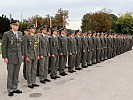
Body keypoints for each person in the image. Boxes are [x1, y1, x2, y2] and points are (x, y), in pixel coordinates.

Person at [2, 20, 23, 96]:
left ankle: (15, 88)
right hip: (11, 57)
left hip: (18, 57)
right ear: (11, 26)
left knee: (16, 74)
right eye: (15, 25)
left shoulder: (20, 33)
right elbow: (4, 46)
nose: (17, 27)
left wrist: (22, 54)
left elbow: (21, 45)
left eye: (18, 25)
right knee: (10, 74)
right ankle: (10, 89)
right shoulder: (7, 34)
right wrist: (5, 57)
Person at [24, 24, 41, 88]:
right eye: (33, 28)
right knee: (28, 70)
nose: (34, 30)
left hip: (35, 55)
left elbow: (37, 47)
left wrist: (38, 54)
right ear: (30, 29)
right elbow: (25, 47)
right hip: (29, 55)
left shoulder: (36, 36)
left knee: (34, 69)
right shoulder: (26, 36)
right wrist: (26, 56)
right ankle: (29, 83)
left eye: (35, 29)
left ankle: (33, 82)